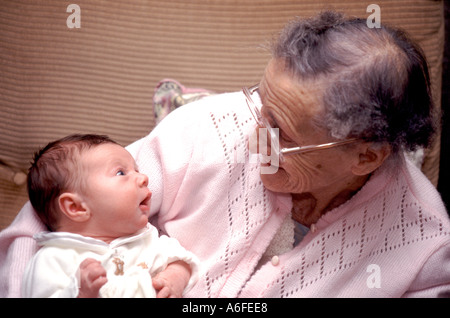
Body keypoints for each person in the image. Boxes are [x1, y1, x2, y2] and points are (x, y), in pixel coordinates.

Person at [1, 11, 450, 297]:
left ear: (367, 157)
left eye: (281, 132)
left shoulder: (425, 241)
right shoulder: (208, 127)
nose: (254, 137)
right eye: (261, 103)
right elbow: (53, 212)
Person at [21, 134, 199, 298]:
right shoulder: (54, 258)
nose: (143, 177)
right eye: (121, 172)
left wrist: (174, 277)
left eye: (136, 170)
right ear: (76, 207)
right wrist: (79, 292)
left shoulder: (146, 241)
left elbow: (183, 260)